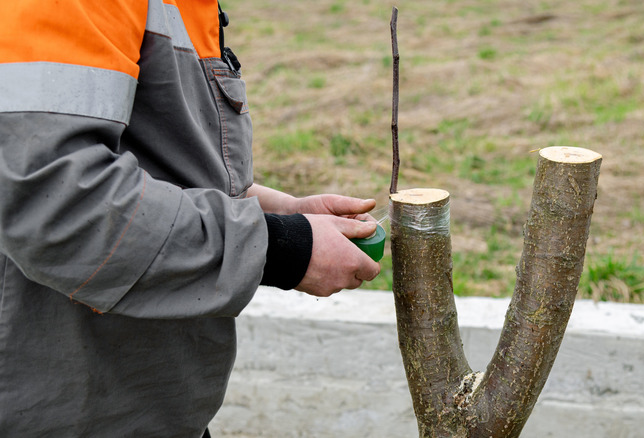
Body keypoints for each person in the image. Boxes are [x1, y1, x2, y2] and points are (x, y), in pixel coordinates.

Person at [0, 1, 381, 436]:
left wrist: (277, 211)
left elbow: (154, 164)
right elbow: (55, 203)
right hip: (63, 407)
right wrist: (280, 248)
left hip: (139, 400)